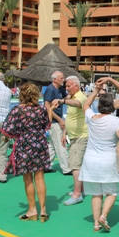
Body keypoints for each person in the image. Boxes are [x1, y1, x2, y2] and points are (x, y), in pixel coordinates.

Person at [79, 83, 119, 232]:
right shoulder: (116, 121)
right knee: (113, 192)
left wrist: (96, 90)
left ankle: (96, 224)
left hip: (90, 161)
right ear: (113, 107)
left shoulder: (92, 118)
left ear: (99, 106)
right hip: (107, 162)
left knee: (96, 194)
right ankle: (103, 216)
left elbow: (86, 104)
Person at [0, 83, 56, 222]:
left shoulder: (18, 110)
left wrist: (8, 137)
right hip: (40, 144)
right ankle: (43, 210)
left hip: (25, 145)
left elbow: (7, 129)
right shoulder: (41, 109)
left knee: (28, 179)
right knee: (40, 177)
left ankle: (32, 209)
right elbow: (46, 125)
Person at [53, 76, 88, 206]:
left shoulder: (80, 97)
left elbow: (78, 104)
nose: (66, 88)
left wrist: (62, 101)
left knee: (74, 165)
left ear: (76, 86)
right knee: (77, 164)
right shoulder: (72, 97)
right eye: (66, 86)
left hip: (81, 136)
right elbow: (71, 118)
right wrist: (64, 133)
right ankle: (82, 190)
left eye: (68, 86)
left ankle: (77, 194)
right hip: (74, 136)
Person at [44, 71, 70, 175]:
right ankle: (66, 168)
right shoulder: (51, 89)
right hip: (54, 120)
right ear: (55, 79)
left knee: (52, 144)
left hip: (56, 119)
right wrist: (59, 120)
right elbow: (47, 107)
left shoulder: (60, 89)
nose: (63, 80)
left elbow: (66, 98)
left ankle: (46, 165)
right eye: (61, 78)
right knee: (60, 143)